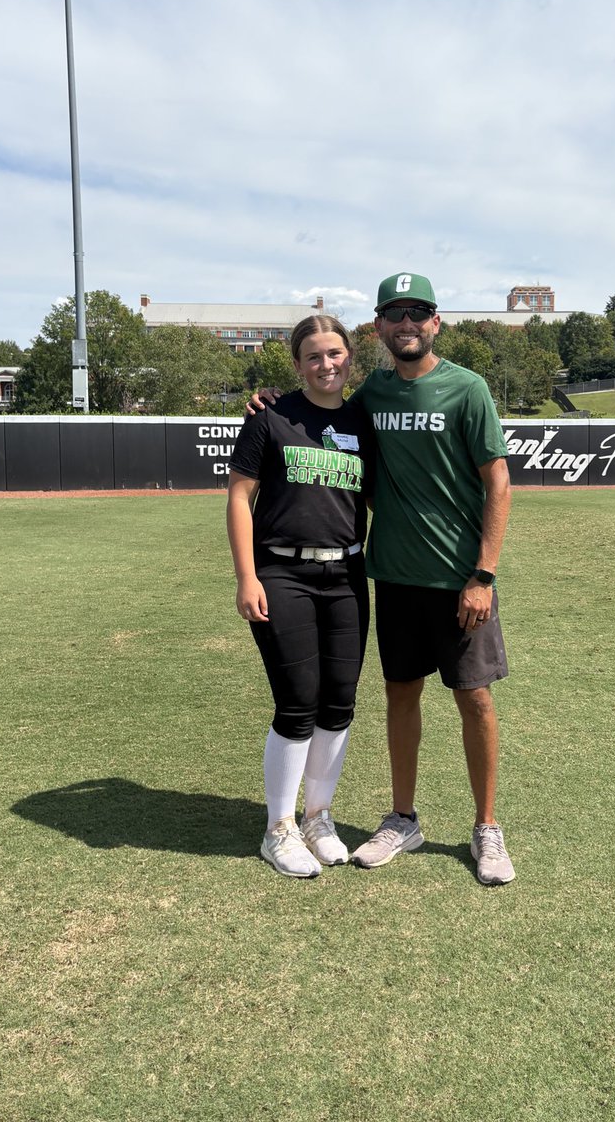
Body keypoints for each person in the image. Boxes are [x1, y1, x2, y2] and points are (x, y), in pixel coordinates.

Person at [251, 274, 515, 886]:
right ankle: (402, 818)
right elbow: (319, 404)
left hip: (460, 579)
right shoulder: (372, 392)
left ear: (436, 322)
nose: (407, 324)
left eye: (418, 312)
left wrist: (484, 573)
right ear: (378, 328)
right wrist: (269, 398)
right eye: (395, 314)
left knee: (474, 698)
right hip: (392, 576)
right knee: (401, 693)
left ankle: (486, 826)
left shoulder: (468, 388)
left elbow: (498, 482)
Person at [227, 315, 374, 878]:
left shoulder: (363, 421)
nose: (326, 364)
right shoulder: (270, 416)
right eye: (313, 356)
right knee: (296, 702)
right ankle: (279, 828)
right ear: (297, 364)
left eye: (334, 353)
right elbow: (239, 498)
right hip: (282, 573)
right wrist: (247, 577)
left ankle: (318, 817)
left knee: (339, 703)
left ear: (350, 356)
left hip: (347, 576)